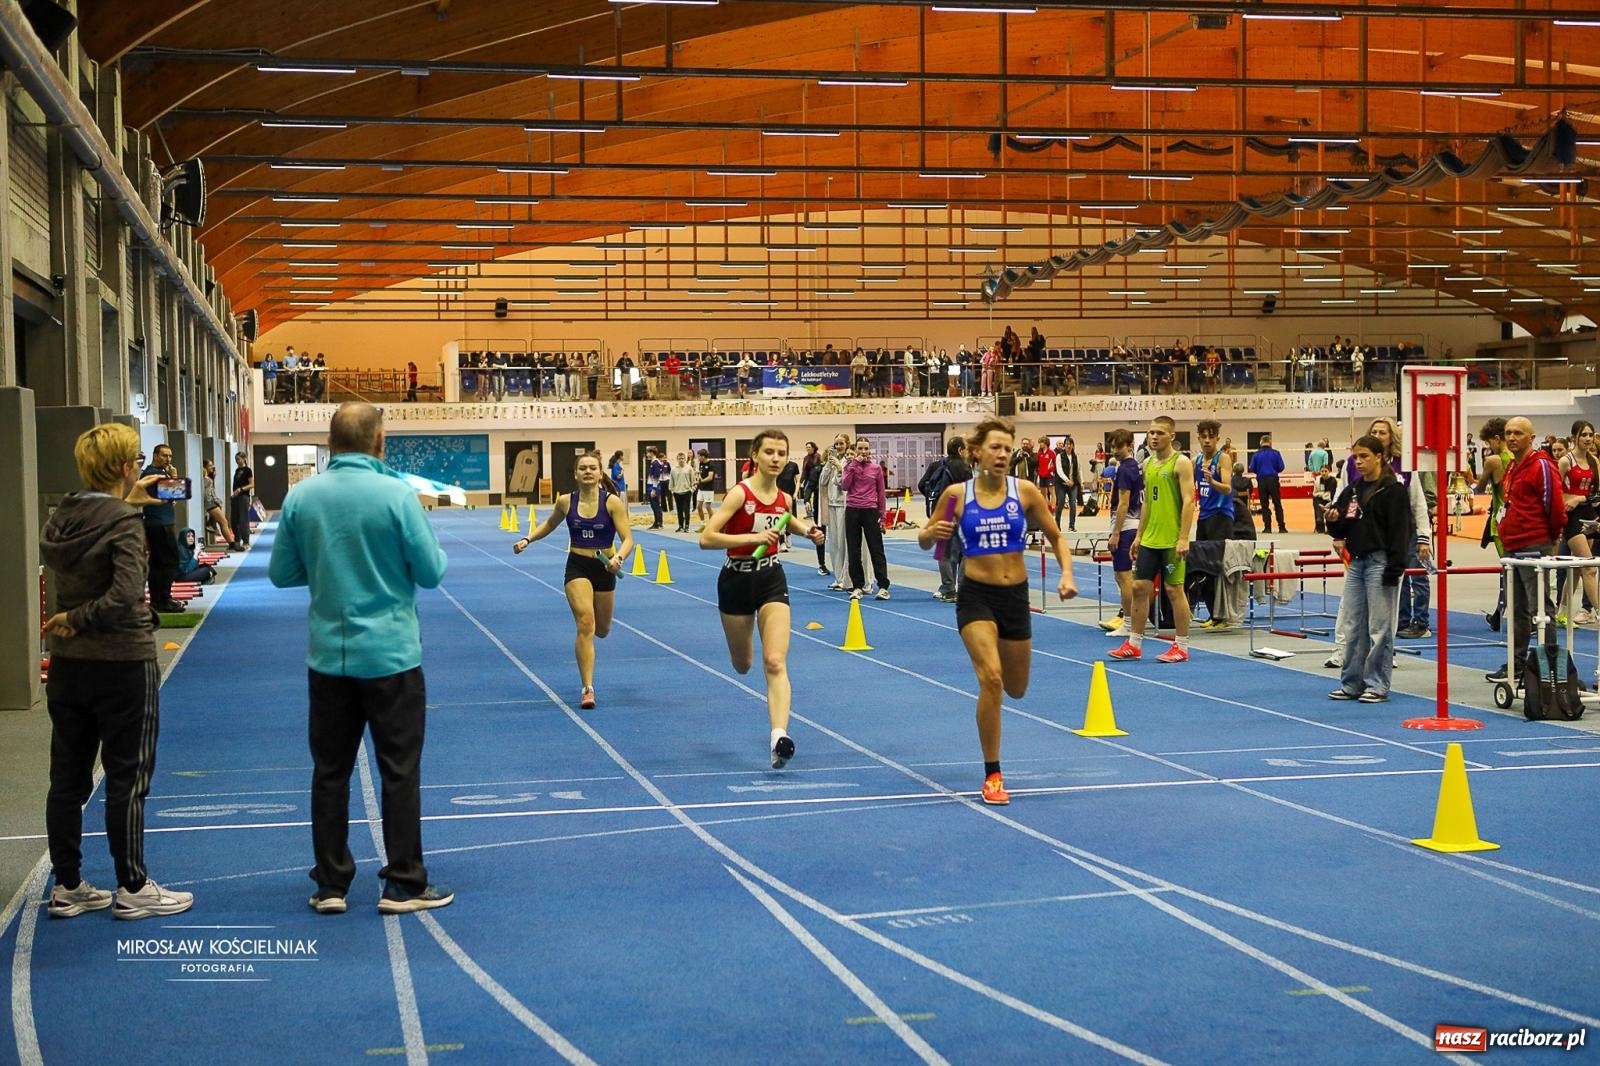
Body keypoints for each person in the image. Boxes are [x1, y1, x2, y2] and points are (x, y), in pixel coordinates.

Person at [269, 402, 453, 915]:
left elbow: (282, 575)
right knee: (398, 771)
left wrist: (331, 571)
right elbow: (432, 571)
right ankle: (404, 883)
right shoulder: (397, 494)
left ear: (330, 443)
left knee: (330, 772)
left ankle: (330, 883)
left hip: (329, 658)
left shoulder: (302, 497)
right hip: (392, 657)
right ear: (380, 442)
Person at [40, 423, 194, 920]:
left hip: (69, 666)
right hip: (122, 664)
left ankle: (67, 885)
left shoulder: (62, 516)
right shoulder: (124, 521)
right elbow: (127, 592)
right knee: (128, 776)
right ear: (128, 467)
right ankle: (132, 886)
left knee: (67, 777)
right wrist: (79, 618)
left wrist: (70, 620)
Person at [917, 417, 1076, 805]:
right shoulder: (956, 494)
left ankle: (994, 761)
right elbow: (931, 545)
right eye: (995, 447)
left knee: (1016, 688)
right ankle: (992, 774)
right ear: (976, 452)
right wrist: (930, 534)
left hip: (1015, 598)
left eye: (1008, 448)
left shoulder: (1025, 492)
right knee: (991, 679)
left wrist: (1067, 574)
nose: (1003, 454)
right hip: (976, 597)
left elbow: (1056, 536)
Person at [699, 430, 827, 769]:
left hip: (771, 578)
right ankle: (745, 661)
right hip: (736, 580)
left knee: (775, 661)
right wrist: (753, 536)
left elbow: (790, 521)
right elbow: (707, 538)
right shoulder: (739, 494)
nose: (775, 458)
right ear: (755, 455)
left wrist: (810, 532)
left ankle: (779, 736)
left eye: (781, 453)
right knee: (743, 665)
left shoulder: (784, 499)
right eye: (768, 451)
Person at [514, 451, 636, 708]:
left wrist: (619, 559)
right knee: (585, 623)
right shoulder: (565, 502)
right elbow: (549, 524)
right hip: (577, 566)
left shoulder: (612, 502)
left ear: (600, 472)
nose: (588, 472)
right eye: (583, 468)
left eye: (593, 468)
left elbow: (628, 539)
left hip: (606, 567)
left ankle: (589, 675)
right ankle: (588, 688)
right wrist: (528, 539)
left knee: (602, 630)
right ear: (576, 473)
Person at [1325, 435, 1412, 703]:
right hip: (1357, 562)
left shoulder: (1393, 489)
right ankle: (1351, 683)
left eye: (1364, 457)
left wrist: (1395, 568)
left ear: (1379, 457)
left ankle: (1377, 684)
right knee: (1352, 625)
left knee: (1379, 628)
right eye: (1355, 457)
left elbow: (1401, 531)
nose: (1359, 462)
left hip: (1381, 562)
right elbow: (1342, 525)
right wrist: (1332, 522)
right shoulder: (1352, 489)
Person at [1486, 417, 1567, 688]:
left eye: (1518, 433)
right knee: (1518, 610)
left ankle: (1550, 666)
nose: (1511, 437)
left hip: (1535, 545)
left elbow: (1554, 504)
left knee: (1541, 609)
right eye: (1508, 432)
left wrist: (1553, 537)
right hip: (1513, 546)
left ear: (1531, 437)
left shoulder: (1542, 465)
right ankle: (1518, 664)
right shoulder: (1513, 466)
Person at [1111, 416, 1197, 663]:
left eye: (1160, 432)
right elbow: (1147, 501)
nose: (1154, 437)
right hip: (1149, 538)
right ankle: (1134, 644)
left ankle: (1181, 646)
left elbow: (1189, 501)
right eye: (1151, 433)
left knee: (1173, 590)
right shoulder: (1147, 464)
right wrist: (1139, 535)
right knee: (1139, 588)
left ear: (1172, 436)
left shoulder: (1180, 463)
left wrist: (1183, 538)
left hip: (1171, 540)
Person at [1556, 420, 1600, 625]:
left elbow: (1596, 493)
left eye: (1591, 435)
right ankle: (1598, 610)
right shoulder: (1566, 461)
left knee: (1576, 567)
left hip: (1588, 515)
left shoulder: (1594, 462)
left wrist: (1581, 499)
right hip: (1571, 517)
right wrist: (1569, 500)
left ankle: (1562, 612)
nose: (1588, 439)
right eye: (1584, 435)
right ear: (1574, 437)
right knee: (1589, 567)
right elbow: (1554, 490)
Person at [918, 436, 971, 602]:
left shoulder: (937, 465)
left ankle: (947, 587)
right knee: (965, 552)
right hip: (961, 511)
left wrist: (933, 500)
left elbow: (921, 484)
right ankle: (962, 587)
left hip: (942, 511)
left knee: (943, 552)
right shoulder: (965, 468)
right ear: (960, 450)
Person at [1101, 428, 1142, 638]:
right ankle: (1130, 621)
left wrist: (1115, 533)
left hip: (1125, 527)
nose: (1115, 450)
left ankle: (1128, 623)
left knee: (1123, 576)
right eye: (1113, 446)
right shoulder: (1132, 467)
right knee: (1124, 577)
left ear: (1130, 445)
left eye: (1119, 446)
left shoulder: (1126, 469)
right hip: (1132, 525)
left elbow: (1124, 503)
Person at [841, 436, 891, 599]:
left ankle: (883, 586)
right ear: (856, 451)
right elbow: (845, 486)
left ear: (869, 450)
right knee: (853, 550)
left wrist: (882, 518)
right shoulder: (850, 467)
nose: (863, 452)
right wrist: (854, 464)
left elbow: (881, 494)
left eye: (866, 449)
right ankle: (857, 586)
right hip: (852, 510)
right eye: (860, 449)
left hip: (870, 510)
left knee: (876, 549)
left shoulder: (876, 469)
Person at [1475, 417, 1512, 631]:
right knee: (1512, 569)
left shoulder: (1493, 461)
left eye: (1489, 443)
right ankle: (1499, 614)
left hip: (1500, 522)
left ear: (1497, 439)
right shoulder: (1518, 459)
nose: (1489, 447)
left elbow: (1479, 488)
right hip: (1518, 520)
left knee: (1509, 570)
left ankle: (1515, 614)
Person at [141, 443, 184, 614]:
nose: (168, 459)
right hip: (159, 523)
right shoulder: (153, 473)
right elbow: (178, 492)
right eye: (165, 456)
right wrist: (175, 477)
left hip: (161, 520)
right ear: (156, 455)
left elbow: (172, 499)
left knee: (158, 563)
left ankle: (158, 600)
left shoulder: (159, 473)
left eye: (170, 456)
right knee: (169, 561)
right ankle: (164, 599)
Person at [819, 434, 850, 587]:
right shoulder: (831, 462)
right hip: (831, 505)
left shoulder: (848, 461)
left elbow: (845, 482)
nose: (838, 446)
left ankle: (846, 578)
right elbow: (822, 481)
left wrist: (839, 467)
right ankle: (838, 577)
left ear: (847, 444)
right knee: (834, 545)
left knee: (843, 543)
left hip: (844, 505)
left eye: (841, 443)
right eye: (836, 444)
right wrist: (828, 465)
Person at [200, 458, 242, 550]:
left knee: (223, 521)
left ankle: (211, 523)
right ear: (204, 467)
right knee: (224, 522)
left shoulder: (208, 478)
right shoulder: (205, 478)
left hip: (211, 502)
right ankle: (231, 543)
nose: (212, 467)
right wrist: (216, 501)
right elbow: (207, 493)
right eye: (210, 465)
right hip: (210, 503)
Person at [1248, 433, 1287, 534]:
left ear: (1261, 443)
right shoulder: (1276, 453)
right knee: (1277, 503)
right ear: (1270, 442)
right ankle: (1281, 527)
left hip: (1262, 480)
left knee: (1264, 504)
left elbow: (1252, 468)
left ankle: (1267, 527)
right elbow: (1281, 467)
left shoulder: (1256, 454)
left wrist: (1260, 471)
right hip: (1273, 479)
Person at [230, 451, 254, 548]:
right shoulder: (237, 470)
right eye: (236, 459)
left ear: (244, 459)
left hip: (243, 497)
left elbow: (252, 484)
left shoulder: (248, 470)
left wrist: (241, 489)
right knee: (234, 520)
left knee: (243, 519)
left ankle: (246, 541)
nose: (237, 461)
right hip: (236, 497)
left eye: (238, 459)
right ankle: (237, 540)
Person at [669, 451, 697, 533]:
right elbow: (671, 481)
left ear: (685, 459)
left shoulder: (689, 468)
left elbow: (693, 480)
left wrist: (692, 490)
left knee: (686, 510)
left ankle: (687, 526)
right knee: (679, 510)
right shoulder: (673, 469)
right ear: (677, 459)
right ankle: (680, 526)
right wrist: (672, 490)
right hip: (677, 492)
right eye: (679, 458)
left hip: (687, 492)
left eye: (682, 458)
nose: (681, 460)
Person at [644, 446, 670, 530]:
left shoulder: (656, 463)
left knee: (656, 505)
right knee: (653, 505)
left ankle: (659, 523)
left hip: (654, 486)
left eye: (648, 452)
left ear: (652, 453)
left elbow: (656, 476)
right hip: (651, 485)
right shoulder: (653, 462)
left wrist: (654, 489)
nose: (647, 454)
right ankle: (656, 522)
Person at [695, 448, 717, 524]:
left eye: (699, 456)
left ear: (703, 456)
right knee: (698, 506)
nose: (698, 458)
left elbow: (710, 477)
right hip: (701, 489)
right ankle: (702, 524)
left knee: (707, 507)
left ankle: (712, 524)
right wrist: (699, 479)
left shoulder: (711, 464)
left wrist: (700, 482)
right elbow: (701, 474)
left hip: (708, 489)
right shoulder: (701, 464)